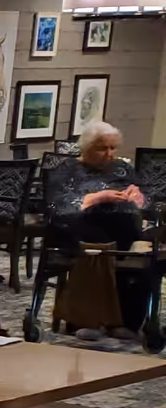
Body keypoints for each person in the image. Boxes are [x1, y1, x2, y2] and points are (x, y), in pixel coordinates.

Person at [45, 122, 151, 337]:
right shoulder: (67, 169)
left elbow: (146, 199)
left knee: (146, 255)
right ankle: (87, 320)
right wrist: (96, 198)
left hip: (121, 229)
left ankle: (126, 321)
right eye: (103, 148)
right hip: (75, 229)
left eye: (113, 148)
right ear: (87, 148)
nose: (109, 154)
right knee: (98, 247)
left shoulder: (123, 168)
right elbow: (58, 207)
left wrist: (138, 198)